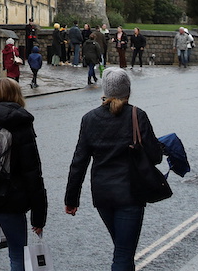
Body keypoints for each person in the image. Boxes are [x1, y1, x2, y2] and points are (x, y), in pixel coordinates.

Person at [64, 68, 163, 271]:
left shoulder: (89, 119)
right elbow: (156, 157)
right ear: (127, 91)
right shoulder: (137, 115)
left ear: (105, 92)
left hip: (102, 196)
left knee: (122, 248)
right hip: (130, 194)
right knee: (123, 254)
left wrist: (71, 200)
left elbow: (79, 162)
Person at [0, 78, 48, 271]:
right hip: (10, 202)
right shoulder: (20, 124)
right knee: (17, 257)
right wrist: (38, 217)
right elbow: (32, 172)